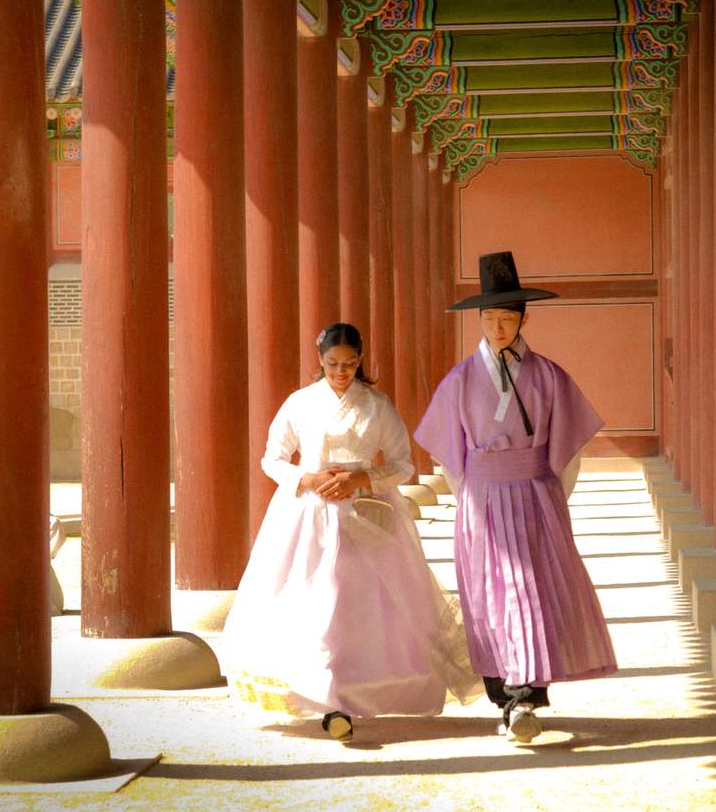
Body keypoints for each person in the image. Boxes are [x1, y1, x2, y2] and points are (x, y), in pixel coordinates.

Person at [223, 323, 480, 742]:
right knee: (317, 602)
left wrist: (360, 479)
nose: (341, 372)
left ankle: (355, 691)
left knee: (358, 607)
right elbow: (272, 459)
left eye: (349, 364)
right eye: (332, 364)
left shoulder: (377, 405)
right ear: (319, 361)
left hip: (367, 514)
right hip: (309, 514)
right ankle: (326, 697)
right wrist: (308, 479)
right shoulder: (299, 403)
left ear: (361, 361)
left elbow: (402, 464)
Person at [414, 251, 618, 744]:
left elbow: (567, 451)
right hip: (482, 498)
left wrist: (552, 495)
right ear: (478, 320)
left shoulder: (548, 376)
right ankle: (504, 696)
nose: (498, 327)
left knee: (533, 592)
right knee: (488, 594)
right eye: (489, 318)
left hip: (534, 495)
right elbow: (450, 456)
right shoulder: (460, 380)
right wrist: (472, 497)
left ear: (524, 318)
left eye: (508, 318)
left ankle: (527, 694)